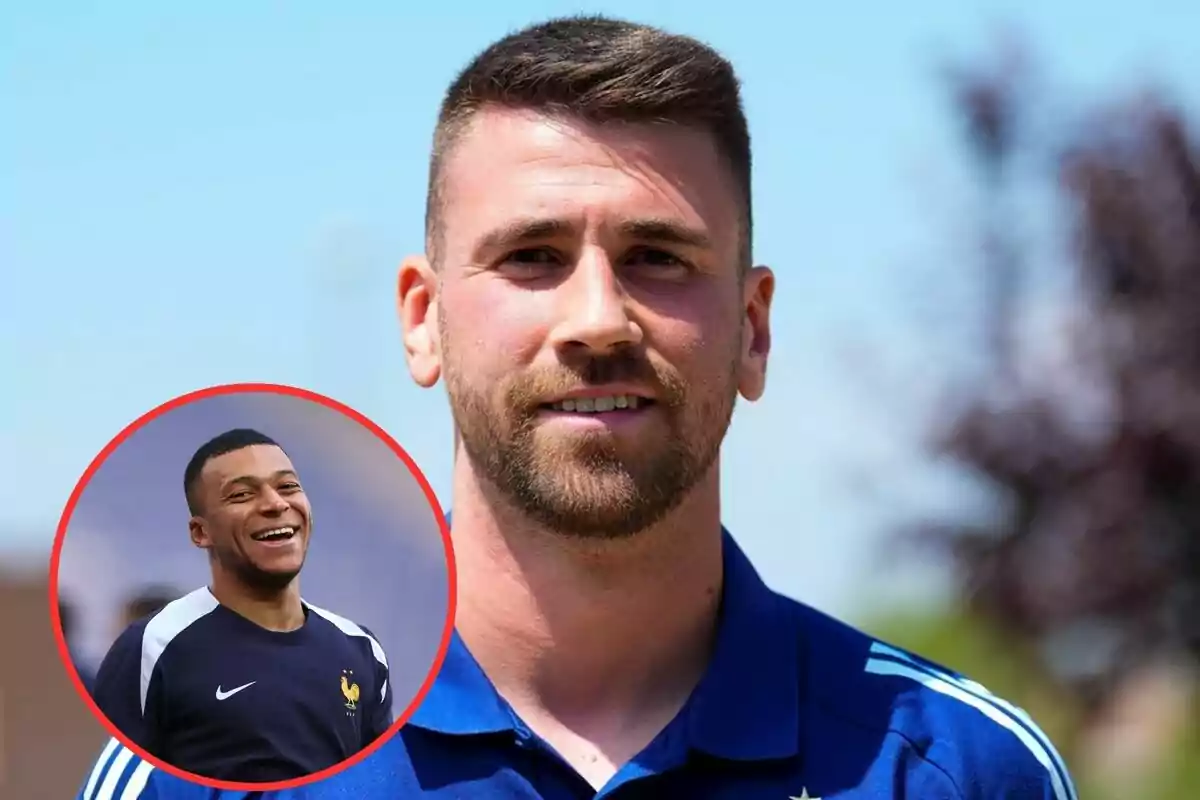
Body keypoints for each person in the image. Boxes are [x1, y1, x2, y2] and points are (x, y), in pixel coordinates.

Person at [77, 15, 1077, 800]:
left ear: (753, 325)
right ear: (423, 321)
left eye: (658, 258)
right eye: (532, 257)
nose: (598, 318)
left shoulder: (965, 770)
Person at [89, 428, 393, 784]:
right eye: (242, 494)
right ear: (201, 533)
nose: (275, 504)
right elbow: (113, 786)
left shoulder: (360, 650)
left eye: (288, 487)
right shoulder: (152, 646)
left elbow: (382, 784)